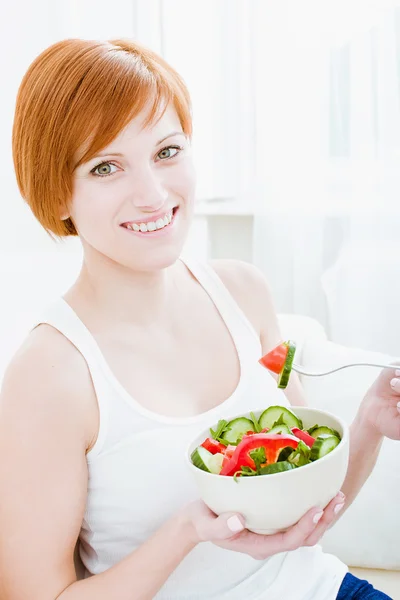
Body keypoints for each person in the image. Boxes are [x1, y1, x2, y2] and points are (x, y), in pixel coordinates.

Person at [0, 38, 398, 600]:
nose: (153, 194)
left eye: (166, 152)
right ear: (56, 193)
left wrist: (370, 423)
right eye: (106, 167)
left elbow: (309, 495)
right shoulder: (49, 374)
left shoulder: (247, 297)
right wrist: (186, 531)